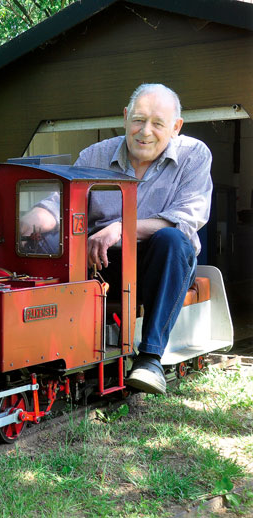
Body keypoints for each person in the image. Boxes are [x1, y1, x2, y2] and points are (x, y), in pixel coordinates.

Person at [20, 83, 213, 394]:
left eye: (158, 123)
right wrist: (37, 217)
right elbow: (62, 203)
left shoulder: (195, 155)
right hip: (104, 262)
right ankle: (42, 347)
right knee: (45, 242)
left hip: (160, 266)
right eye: (138, 120)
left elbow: (187, 218)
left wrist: (121, 228)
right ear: (125, 117)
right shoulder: (93, 155)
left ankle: (149, 359)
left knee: (172, 240)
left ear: (176, 127)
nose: (144, 131)